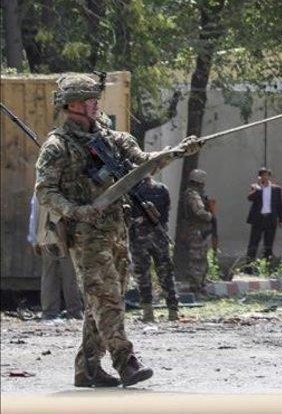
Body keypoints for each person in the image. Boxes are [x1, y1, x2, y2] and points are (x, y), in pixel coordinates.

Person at [34, 73, 201, 387]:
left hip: (117, 229)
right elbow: (45, 191)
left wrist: (177, 151)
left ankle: (87, 369)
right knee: (107, 298)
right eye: (88, 99)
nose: (95, 103)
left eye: (95, 98)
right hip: (85, 234)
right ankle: (126, 362)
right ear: (71, 105)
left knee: (104, 300)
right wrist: (76, 210)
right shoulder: (57, 146)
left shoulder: (114, 139)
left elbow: (144, 163)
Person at [128, 176, 179, 322]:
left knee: (143, 276)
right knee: (166, 274)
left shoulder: (132, 190)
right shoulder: (162, 189)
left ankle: (148, 312)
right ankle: (173, 311)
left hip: (139, 239)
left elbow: (128, 215)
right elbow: (167, 212)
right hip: (160, 236)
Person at [27, 192, 83, 319]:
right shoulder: (66, 188)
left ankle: (49, 312)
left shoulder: (40, 191)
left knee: (49, 276)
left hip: (46, 236)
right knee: (70, 274)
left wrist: (34, 239)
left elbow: (34, 215)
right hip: (65, 237)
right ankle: (74, 311)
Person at [178, 169, 215, 295]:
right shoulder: (193, 195)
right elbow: (199, 212)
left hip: (195, 230)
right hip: (195, 231)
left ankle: (200, 285)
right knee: (197, 259)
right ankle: (195, 287)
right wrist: (210, 215)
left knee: (201, 258)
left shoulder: (189, 193)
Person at [246, 167, 282, 264]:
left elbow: (279, 205)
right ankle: (249, 267)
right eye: (262, 175)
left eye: (266, 175)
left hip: (270, 219)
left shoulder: (276, 189)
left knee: (268, 244)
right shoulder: (255, 187)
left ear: (269, 176)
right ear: (259, 177)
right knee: (253, 243)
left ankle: (267, 266)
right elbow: (250, 198)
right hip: (258, 219)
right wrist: (259, 189)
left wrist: (281, 220)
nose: (264, 177)